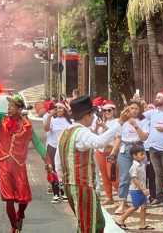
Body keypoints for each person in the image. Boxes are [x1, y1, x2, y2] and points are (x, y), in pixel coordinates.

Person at [0, 80, 51, 233]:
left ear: (20, 109)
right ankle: (14, 227)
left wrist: (46, 159)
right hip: (3, 163)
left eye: (12, 106)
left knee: (23, 198)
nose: (9, 108)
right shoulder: (1, 119)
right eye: (8, 106)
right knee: (8, 198)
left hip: (19, 164)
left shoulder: (27, 126)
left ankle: (20, 214)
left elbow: (36, 143)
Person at [55, 96, 131, 233]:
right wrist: (120, 122)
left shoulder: (65, 132)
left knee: (97, 221)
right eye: (93, 114)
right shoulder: (82, 132)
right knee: (88, 225)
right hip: (81, 185)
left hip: (70, 184)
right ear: (86, 115)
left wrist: (63, 179)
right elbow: (100, 142)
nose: (94, 117)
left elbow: (58, 160)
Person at [110, 100, 149, 214]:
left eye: (136, 109)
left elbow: (144, 137)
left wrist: (135, 125)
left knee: (140, 176)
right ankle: (122, 202)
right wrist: (113, 152)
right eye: (131, 108)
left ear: (139, 110)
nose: (133, 111)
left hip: (138, 147)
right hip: (125, 147)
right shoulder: (122, 121)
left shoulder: (143, 120)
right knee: (124, 177)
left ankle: (140, 202)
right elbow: (118, 137)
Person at [115, 146, 155, 231]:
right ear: (134, 156)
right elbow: (135, 179)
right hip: (136, 190)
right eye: (141, 154)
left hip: (141, 190)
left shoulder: (142, 165)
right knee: (135, 206)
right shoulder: (134, 167)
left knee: (144, 206)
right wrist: (143, 189)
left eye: (143, 154)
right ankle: (121, 220)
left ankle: (142, 224)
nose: (143, 156)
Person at [143, 91, 163, 207]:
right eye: (156, 97)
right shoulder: (152, 113)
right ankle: (158, 198)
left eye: (159, 97)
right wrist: (137, 103)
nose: (156, 99)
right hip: (153, 147)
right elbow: (139, 116)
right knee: (157, 173)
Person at [43, 101, 72, 204]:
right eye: (57, 108)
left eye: (61, 108)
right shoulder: (51, 119)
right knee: (53, 170)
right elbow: (46, 129)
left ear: (65, 110)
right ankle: (56, 193)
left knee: (64, 170)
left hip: (64, 148)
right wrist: (50, 116)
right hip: (52, 147)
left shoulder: (69, 121)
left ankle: (64, 193)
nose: (58, 109)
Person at [93, 100, 119, 206]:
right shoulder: (102, 121)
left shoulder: (117, 121)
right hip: (100, 150)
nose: (107, 112)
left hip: (111, 150)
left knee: (112, 175)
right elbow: (94, 135)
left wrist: (105, 126)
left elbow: (117, 135)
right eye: (105, 110)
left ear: (114, 111)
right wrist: (98, 126)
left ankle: (122, 197)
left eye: (109, 110)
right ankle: (109, 197)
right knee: (104, 175)